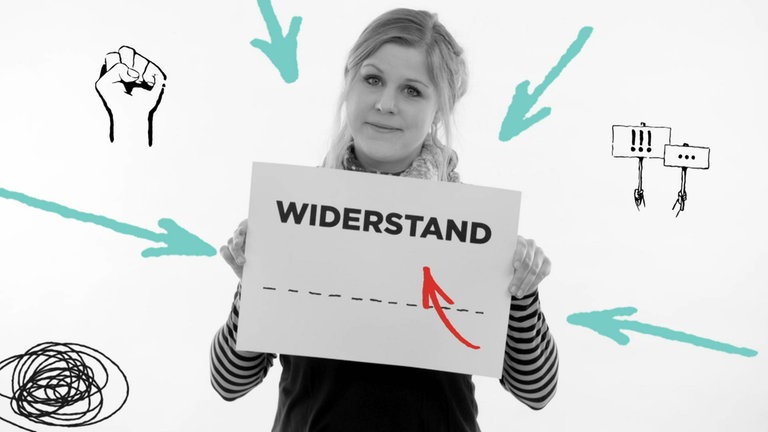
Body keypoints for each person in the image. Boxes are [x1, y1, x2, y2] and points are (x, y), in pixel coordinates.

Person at [210, 8, 558, 431]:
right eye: (373, 79)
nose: (386, 104)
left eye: (412, 91)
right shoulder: (293, 217)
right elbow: (229, 382)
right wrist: (255, 282)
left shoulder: (477, 231)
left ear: (440, 109)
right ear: (348, 82)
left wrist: (521, 291)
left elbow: (536, 389)